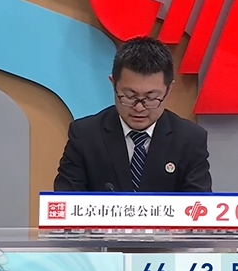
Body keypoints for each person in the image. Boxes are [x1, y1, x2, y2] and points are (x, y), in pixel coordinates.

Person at [54, 37, 212, 192]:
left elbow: (199, 204)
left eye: (151, 98)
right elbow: (66, 198)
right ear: (113, 84)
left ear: (168, 89)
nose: (139, 108)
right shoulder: (85, 135)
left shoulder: (189, 140)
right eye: (130, 96)